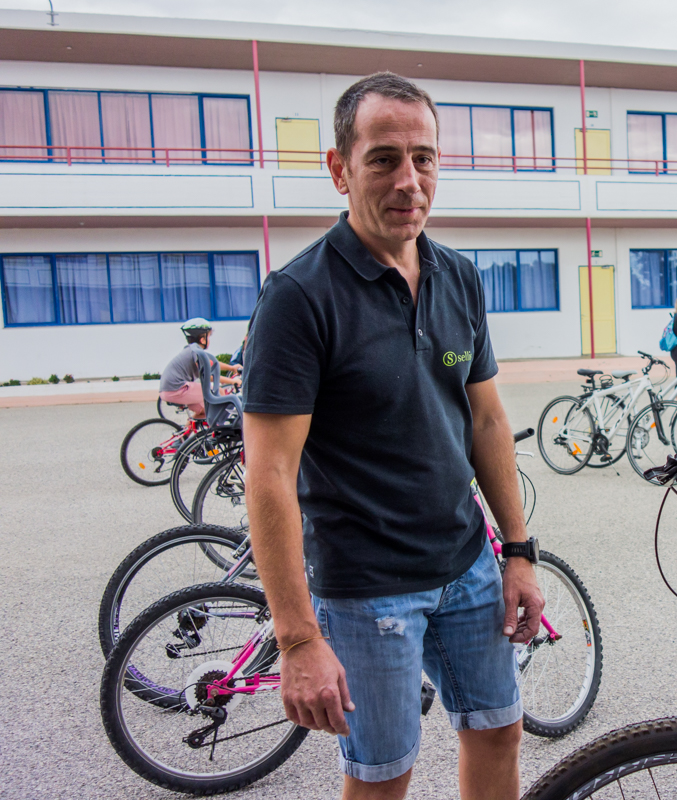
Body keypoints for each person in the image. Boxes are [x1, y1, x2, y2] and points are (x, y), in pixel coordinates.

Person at [240, 72, 544, 800]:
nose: (409, 180)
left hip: (467, 564)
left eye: (424, 157)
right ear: (339, 169)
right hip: (367, 591)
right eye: (383, 159)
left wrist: (519, 551)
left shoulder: (458, 276)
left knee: (499, 731)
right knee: (383, 776)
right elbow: (269, 474)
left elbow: (486, 420)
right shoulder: (299, 297)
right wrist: (298, 637)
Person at [157, 318, 240, 417]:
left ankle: (189, 428)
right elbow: (207, 376)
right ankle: (221, 424)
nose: (209, 340)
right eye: (208, 336)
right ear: (202, 339)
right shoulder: (196, 352)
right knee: (219, 392)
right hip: (177, 390)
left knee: (203, 412)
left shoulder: (193, 350)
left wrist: (232, 368)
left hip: (169, 390)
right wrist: (232, 381)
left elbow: (212, 364)